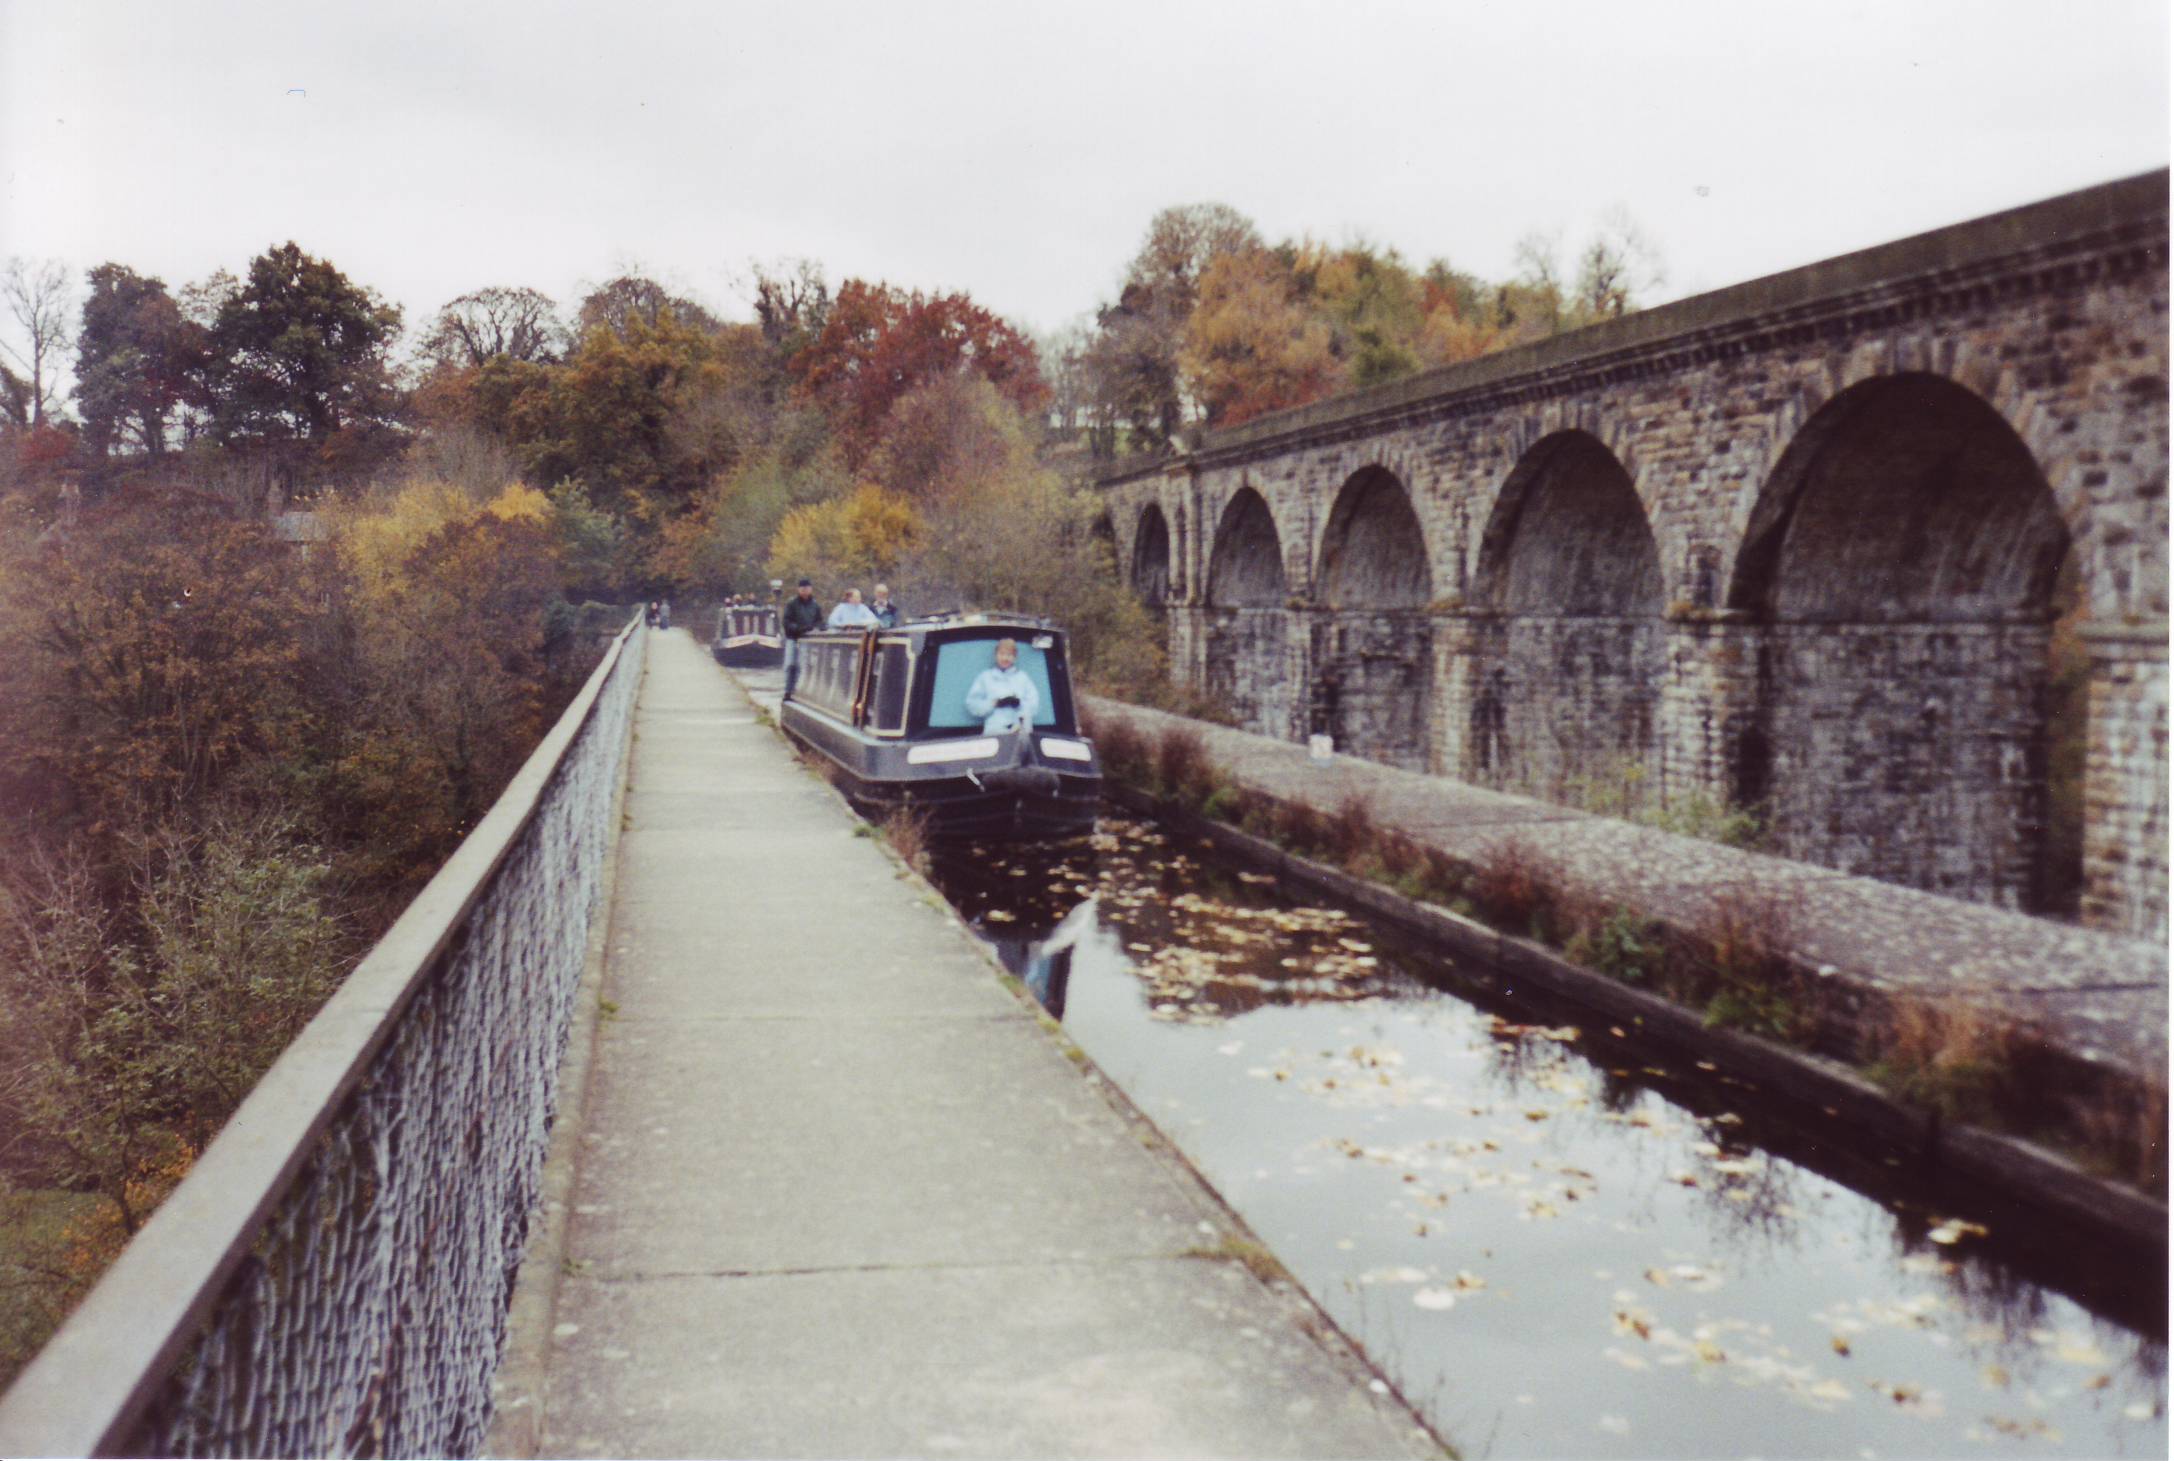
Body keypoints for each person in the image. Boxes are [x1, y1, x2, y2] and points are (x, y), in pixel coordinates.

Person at [965, 637, 1040, 734]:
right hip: (994, 731)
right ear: (996, 655)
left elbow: (1034, 705)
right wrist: (994, 703)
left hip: (1020, 731)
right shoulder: (985, 677)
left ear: (1015, 657)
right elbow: (972, 704)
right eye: (1002, 654)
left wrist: (1019, 703)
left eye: (1009, 655)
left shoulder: (1023, 678)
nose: (1005, 658)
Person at [781, 578, 823, 694]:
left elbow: (819, 621)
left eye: (807, 588)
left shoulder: (815, 605)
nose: (805, 591)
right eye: (802, 588)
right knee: (790, 664)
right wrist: (797, 628)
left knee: (803, 665)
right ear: (798, 590)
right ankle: (788, 690)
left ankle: (799, 690)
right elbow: (786, 621)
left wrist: (815, 628)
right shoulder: (792, 604)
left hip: (808, 640)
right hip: (793, 639)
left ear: (811, 589)